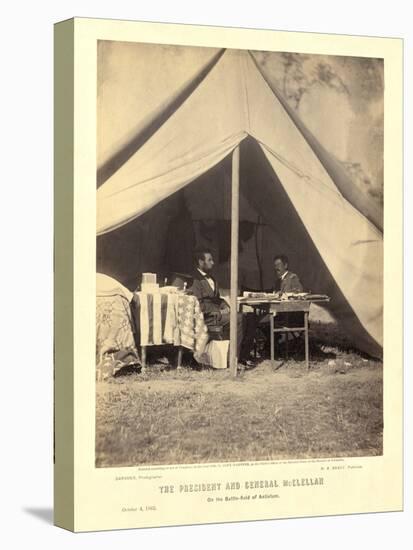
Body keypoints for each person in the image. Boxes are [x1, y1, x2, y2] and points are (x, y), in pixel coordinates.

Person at [189, 248, 257, 366]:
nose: (213, 262)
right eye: (209, 260)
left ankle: (243, 356)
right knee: (238, 319)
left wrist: (226, 305)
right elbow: (198, 304)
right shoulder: (195, 280)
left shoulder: (212, 278)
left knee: (251, 317)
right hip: (207, 318)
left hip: (217, 315)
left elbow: (217, 299)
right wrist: (219, 311)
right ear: (201, 262)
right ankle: (232, 359)